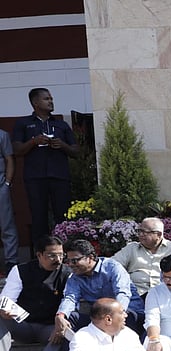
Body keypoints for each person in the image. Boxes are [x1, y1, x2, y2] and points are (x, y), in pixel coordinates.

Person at [0, 235, 70, 351]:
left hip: (50, 329)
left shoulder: (67, 274)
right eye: (52, 255)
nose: (58, 259)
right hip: (23, 324)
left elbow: (70, 301)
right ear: (39, 255)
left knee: (68, 330)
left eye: (61, 255)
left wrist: (61, 322)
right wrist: (5, 310)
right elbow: (6, 299)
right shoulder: (20, 270)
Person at [12, 88, 79, 240]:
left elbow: (76, 151)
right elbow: (16, 149)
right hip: (35, 178)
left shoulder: (61, 124)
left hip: (60, 176)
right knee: (38, 216)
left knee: (63, 215)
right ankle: (41, 255)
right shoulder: (23, 123)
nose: (51, 101)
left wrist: (62, 145)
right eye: (46, 99)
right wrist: (33, 141)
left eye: (51, 99)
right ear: (35, 102)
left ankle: (66, 252)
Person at [55, 239, 144, 336]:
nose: (71, 265)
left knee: (124, 316)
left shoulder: (112, 267)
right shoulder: (75, 277)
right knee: (69, 318)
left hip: (126, 313)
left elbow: (122, 293)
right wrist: (61, 315)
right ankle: (75, 350)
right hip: (101, 318)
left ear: (90, 257)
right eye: (68, 261)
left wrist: (115, 314)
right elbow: (70, 297)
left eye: (75, 260)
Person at [112, 217, 171, 297]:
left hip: (166, 295)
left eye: (145, 232)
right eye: (140, 231)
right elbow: (112, 265)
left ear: (158, 234)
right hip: (135, 296)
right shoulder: (132, 248)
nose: (141, 235)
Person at [0, 127, 19, 273]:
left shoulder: (2, 135)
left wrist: (7, 183)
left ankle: (11, 262)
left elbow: (9, 159)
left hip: (1, 185)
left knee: (7, 225)